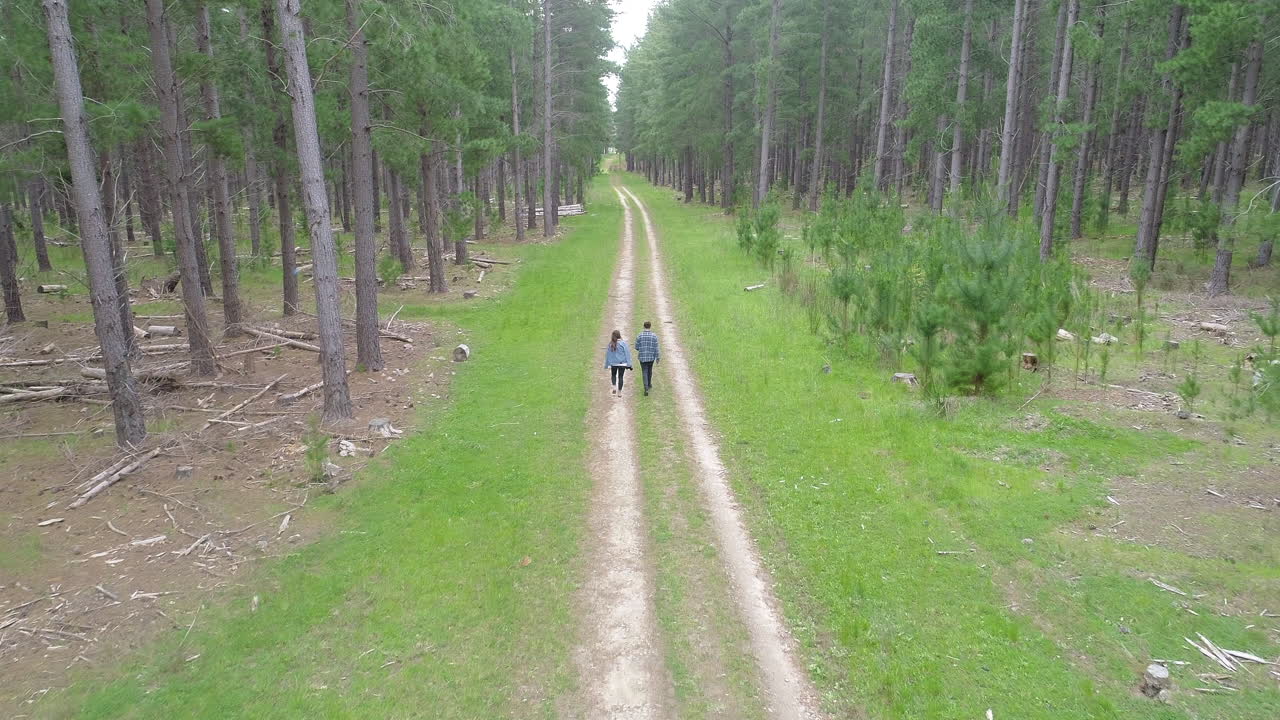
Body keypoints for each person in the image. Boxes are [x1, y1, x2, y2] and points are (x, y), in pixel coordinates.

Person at [603, 329, 631, 396]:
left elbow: (608, 355)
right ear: (619, 335)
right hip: (622, 363)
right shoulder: (623, 343)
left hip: (614, 363)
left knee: (613, 375)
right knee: (621, 377)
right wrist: (629, 364)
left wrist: (607, 364)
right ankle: (619, 392)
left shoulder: (611, 344)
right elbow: (627, 354)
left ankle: (614, 387)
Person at [635, 321, 660, 396]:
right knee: (650, 370)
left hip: (642, 357)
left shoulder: (639, 336)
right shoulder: (654, 336)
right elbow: (656, 348)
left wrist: (642, 349)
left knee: (644, 371)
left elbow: (636, 347)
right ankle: (649, 384)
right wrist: (658, 357)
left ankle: (646, 388)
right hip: (651, 357)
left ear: (644, 326)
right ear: (650, 326)